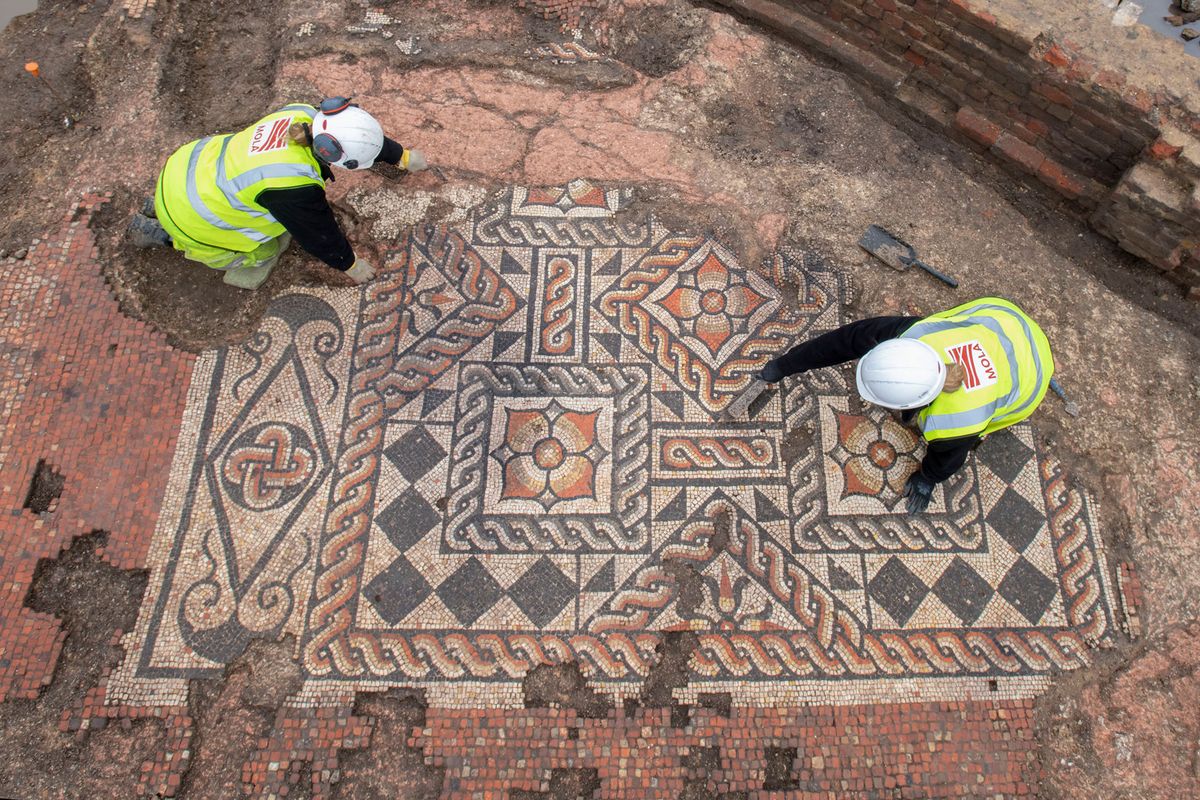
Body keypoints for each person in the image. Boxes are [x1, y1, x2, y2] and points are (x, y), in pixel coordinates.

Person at [759, 297, 1053, 513]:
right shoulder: (913, 334)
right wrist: (785, 365)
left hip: (1033, 377)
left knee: (975, 435)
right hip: (1004, 318)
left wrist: (927, 478)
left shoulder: (956, 421)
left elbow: (949, 459)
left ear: (919, 404)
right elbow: (845, 340)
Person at [128, 97, 428, 289]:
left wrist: (402, 157)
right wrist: (349, 264)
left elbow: (357, 136)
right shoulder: (292, 186)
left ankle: (158, 204)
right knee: (267, 250)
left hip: (186, 167)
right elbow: (318, 235)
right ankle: (163, 235)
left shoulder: (302, 113)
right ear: (332, 157)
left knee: (232, 195)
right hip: (193, 217)